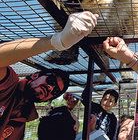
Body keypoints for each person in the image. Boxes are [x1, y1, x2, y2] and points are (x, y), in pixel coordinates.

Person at [0, 11, 98, 140]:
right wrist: (57, 42)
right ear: (35, 75)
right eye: (51, 81)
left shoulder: (23, 119)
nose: (51, 89)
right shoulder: (10, 85)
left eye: (56, 91)